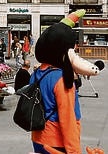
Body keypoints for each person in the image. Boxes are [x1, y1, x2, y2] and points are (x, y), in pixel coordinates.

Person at [31, 10, 88, 154]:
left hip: (38, 137)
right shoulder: (61, 79)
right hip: (56, 142)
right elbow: (67, 119)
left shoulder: (37, 73)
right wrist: (74, 151)